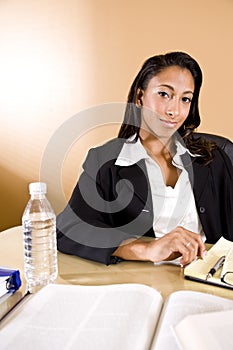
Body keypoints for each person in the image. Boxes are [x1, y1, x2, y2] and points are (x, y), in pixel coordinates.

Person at [56, 51, 233, 266]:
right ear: (140, 97)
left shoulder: (214, 158)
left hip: (207, 283)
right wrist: (146, 249)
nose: (174, 110)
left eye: (185, 99)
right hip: (140, 284)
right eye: (164, 94)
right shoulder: (106, 161)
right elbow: (69, 229)